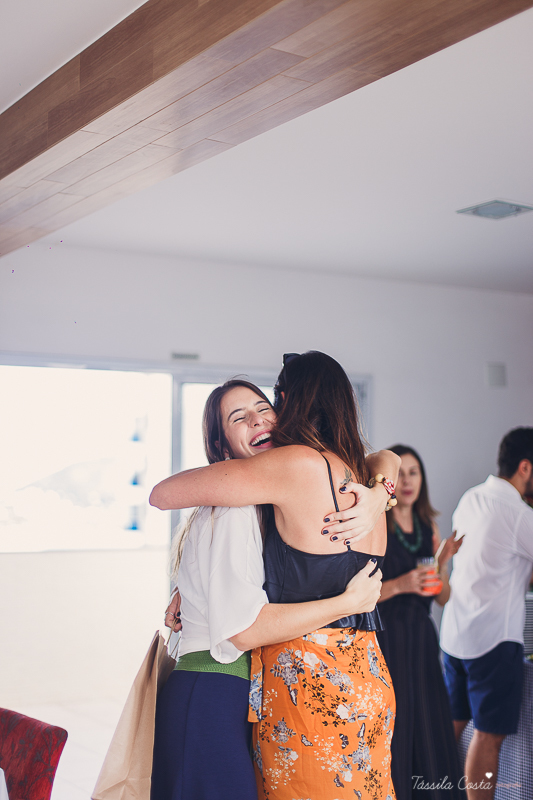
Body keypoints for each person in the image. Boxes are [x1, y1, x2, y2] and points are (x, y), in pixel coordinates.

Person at [151, 352, 399, 800]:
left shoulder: (292, 468)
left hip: (310, 683)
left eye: (267, 407)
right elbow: (387, 456)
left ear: (289, 402)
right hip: (369, 678)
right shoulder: (362, 477)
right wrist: (383, 489)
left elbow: (163, 493)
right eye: (240, 417)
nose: (263, 421)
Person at [440, 428, 533, 800]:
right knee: (488, 737)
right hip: (494, 641)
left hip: (455, 636)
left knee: (453, 724)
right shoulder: (519, 514)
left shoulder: (471, 498)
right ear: (525, 467)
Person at [376, 445, 464, 799]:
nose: (408, 480)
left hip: (422, 639)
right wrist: (401, 584)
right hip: (388, 636)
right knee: (398, 722)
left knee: (429, 723)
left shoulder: (430, 526)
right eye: (401, 473)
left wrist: (443, 566)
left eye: (414, 472)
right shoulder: (376, 523)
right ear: (387, 482)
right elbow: (359, 594)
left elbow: (442, 597)